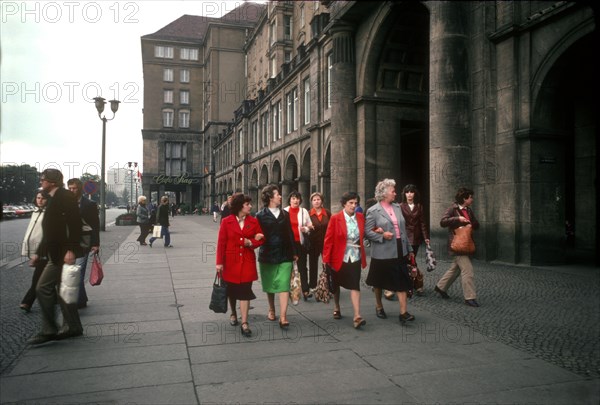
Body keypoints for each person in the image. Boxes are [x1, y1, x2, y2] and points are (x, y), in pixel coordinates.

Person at [28, 169, 83, 345]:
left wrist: (71, 249)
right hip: (55, 252)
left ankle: (49, 329)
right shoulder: (53, 197)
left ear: (52, 182)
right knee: (63, 291)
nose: (41, 181)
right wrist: (39, 252)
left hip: (62, 253)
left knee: (42, 287)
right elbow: (51, 229)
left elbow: (74, 224)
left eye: (43, 179)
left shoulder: (65, 196)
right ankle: (74, 327)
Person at [365, 179, 415, 324]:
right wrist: (382, 235)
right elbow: (367, 232)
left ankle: (403, 313)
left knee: (402, 280)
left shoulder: (398, 207)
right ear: (384, 193)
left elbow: (403, 230)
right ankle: (379, 306)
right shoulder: (373, 211)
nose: (395, 193)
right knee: (378, 281)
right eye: (393, 191)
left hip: (400, 248)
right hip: (382, 251)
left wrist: (409, 249)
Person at [216, 193, 264, 337]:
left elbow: (261, 238)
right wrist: (219, 263)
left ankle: (244, 322)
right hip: (230, 262)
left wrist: (251, 242)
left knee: (245, 291)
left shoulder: (253, 221)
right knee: (231, 291)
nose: (250, 206)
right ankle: (233, 313)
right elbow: (221, 243)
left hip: (247, 262)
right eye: (247, 204)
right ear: (240, 206)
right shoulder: (226, 221)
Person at [322, 191, 367, 329]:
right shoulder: (336, 218)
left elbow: (366, 232)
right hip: (338, 257)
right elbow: (328, 240)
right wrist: (326, 259)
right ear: (344, 204)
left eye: (355, 203)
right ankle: (336, 306)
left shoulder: (360, 217)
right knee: (336, 284)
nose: (354, 206)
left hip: (355, 257)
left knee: (355, 284)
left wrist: (377, 231)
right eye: (351, 203)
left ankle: (357, 316)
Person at [256, 184, 297, 328]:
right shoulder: (260, 215)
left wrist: (294, 252)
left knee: (284, 284)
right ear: (270, 197)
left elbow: (290, 234)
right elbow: (256, 234)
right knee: (270, 284)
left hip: (285, 253)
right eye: (277, 194)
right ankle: (272, 309)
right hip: (267, 254)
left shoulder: (285, 214)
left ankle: (284, 316)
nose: (280, 196)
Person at [435, 187, 480, 307]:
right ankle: (470, 297)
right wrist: (458, 219)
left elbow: (476, 224)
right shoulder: (452, 209)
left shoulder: (469, 210)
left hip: (467, 243)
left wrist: (472, 224)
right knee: (468, 270)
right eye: (470, 197)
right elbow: (442, 222)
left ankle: (440, 287)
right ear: (464, 198)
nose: (472, 199)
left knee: (455, 269)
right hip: (457, 244)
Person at [67, 178, 100, 309]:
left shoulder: (90, 204)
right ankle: (81, 298)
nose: (71, 190)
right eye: (69, 188)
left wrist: (96, 243)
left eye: (74, 188)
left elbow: (95, 225)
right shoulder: (65, 203)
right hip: (69, 243)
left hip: (84, 242)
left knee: (78, 272)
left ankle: (77, 301)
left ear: (79, 188)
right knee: (71, 272)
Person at [19, 190, 48, 313]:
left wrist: (38, 252)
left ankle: (27, 302)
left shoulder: (50, 213)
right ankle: (57, 298)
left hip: (44, 250)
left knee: (38, 277)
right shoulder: (35, 212)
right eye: (38, 198)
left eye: (43, 198)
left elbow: (47, 234)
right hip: (34, 249)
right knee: (48, 279)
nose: (40, 200)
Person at [399, 184, 430, 296]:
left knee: (411, 261)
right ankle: (415, 284)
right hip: (404, 238)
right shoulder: (400, 206)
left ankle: (413, 285)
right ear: (404, 194)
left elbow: (422, 223)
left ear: (415, 194)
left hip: (416, 238)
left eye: (412, 192)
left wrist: (426, 237)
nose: (409, 194)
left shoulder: (419, 206)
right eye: (407, 192)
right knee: (409, 262)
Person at [284, 190, 314, 301]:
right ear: (290, 200)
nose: (295, 200)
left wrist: (306, 229)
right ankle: (289, 291)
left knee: (302, 267)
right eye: (293, 198)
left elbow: (311, 226)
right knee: (289, 267)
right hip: (288, 245)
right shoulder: (284, 211)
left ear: (300, 200)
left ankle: (305, 290)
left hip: (300, 243)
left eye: (297, 198)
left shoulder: (303, 211)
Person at [308, 192, 331, 297]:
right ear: (311, 202)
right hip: (313, 243)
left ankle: (327, 285)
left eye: (318, 199)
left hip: (326, 243)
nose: (316, 201)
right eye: (314, 200)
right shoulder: (308, 214)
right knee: (313, 264)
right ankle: (312, 285)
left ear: (322, 201)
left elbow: (331, 226)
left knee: (327, 264)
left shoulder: (327, 213)